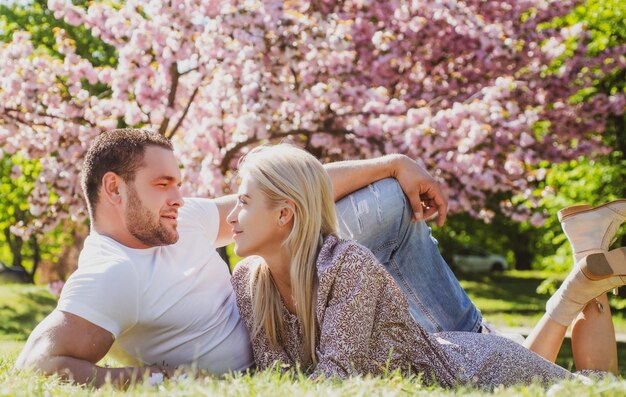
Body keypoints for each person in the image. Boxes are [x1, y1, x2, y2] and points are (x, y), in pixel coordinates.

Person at [16, 128, 484, 386]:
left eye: (178, 181)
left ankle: (469, 338)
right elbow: (37, 364)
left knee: (386, 199)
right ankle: (469, 343)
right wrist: (154, 378)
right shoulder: (111, 275)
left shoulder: (177, 222)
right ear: (113, 188)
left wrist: (394, 163)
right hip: (279, 337)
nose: (179, 195)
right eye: (163, 185)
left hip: (286, 296)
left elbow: (285, 191)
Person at [228, 143, 626, 388]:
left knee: (595, 388)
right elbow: (277, 377)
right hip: (449, 359)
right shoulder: (249, 280)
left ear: (285, 214)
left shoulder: (347, 266)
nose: (230, 217)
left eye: (243, 203)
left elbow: (335, 381)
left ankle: (582, 278)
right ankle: (582, 274)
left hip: (475, 370)